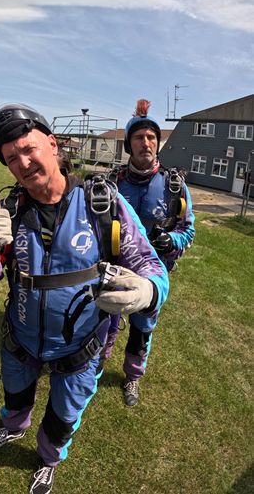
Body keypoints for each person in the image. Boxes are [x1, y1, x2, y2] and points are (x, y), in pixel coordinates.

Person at [0, 103, 169, 494]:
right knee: (15, 398)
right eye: (12, 158)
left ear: (53, 144)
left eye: (28, 149)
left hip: (80, 348)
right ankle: (14, 427)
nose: (23, 163)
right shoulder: (11, 211)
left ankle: (48, 459)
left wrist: (148, 290)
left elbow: (150, 265)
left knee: (62, 417)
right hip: (20, 340)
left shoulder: (103, 205)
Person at [99, 99, 195, 406]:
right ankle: (98, 363)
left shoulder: (174, 185)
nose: (146, 143)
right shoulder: (111, 183)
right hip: (115, 268)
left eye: (152, 137)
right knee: (105, 319)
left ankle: (132, 376)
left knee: (142, 329)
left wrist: (172, 241)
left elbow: (188, 229)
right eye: (139, 137)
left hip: (151, 274)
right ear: (129, 144)